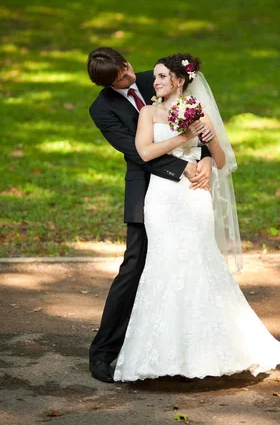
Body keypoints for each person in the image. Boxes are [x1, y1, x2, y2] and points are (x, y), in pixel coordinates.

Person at [113, 53, 280, 381]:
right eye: (155, 77)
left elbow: (221, 160)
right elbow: (144, 152)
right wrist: (183, 137)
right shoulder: (148, 113)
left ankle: (208, 353)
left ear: (180, 80)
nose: (156, 82)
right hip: (162, 199)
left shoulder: (199, 111)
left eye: (163, 76)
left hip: (194, 197)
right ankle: (159, 359)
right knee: (162, 266)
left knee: (200, 262)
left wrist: (208, 150)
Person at [87, 47, 214, 383]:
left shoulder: (158, 78)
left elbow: (197, 121)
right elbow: (137, 152)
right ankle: (103, 352)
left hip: (187, 189)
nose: (132, 77)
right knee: (135, 265)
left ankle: (185, 348)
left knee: (186, 263)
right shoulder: (101, 109)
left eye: (127, 68)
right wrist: (183, 167)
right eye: (121, 79)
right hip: (146, 189)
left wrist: (205, 161)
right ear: (107, 84)